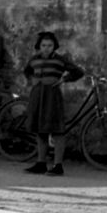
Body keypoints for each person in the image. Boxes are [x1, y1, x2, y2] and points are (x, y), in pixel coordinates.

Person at [22, 30, 85, 175]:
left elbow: (78, 72)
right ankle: (41, 162)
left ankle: (58, 165)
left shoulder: (60, 60)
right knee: (40, 130)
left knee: (57, 130)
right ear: (39, 46)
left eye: (49, 45)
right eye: (43, 45)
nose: (46, 48)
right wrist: (32, 81)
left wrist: (64, 79)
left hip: (52, 96)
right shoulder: (34, 59)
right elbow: (27, 71)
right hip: (37, 96)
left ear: (54, 46)